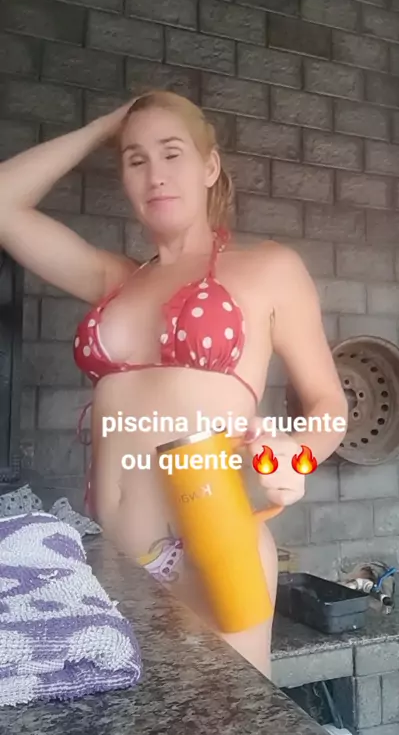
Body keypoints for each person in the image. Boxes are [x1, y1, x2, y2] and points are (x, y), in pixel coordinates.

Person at [0, 91, 347, 678]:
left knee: (228, 727)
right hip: (109, 555)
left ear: (210, 166)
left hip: (209, 550)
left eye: (171, 153)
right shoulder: (115, 279)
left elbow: (329, 403)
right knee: (129, 728)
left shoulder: (268, 269)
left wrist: (298, 453)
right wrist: (106, 125)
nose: (155, 175)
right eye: (135, 160)